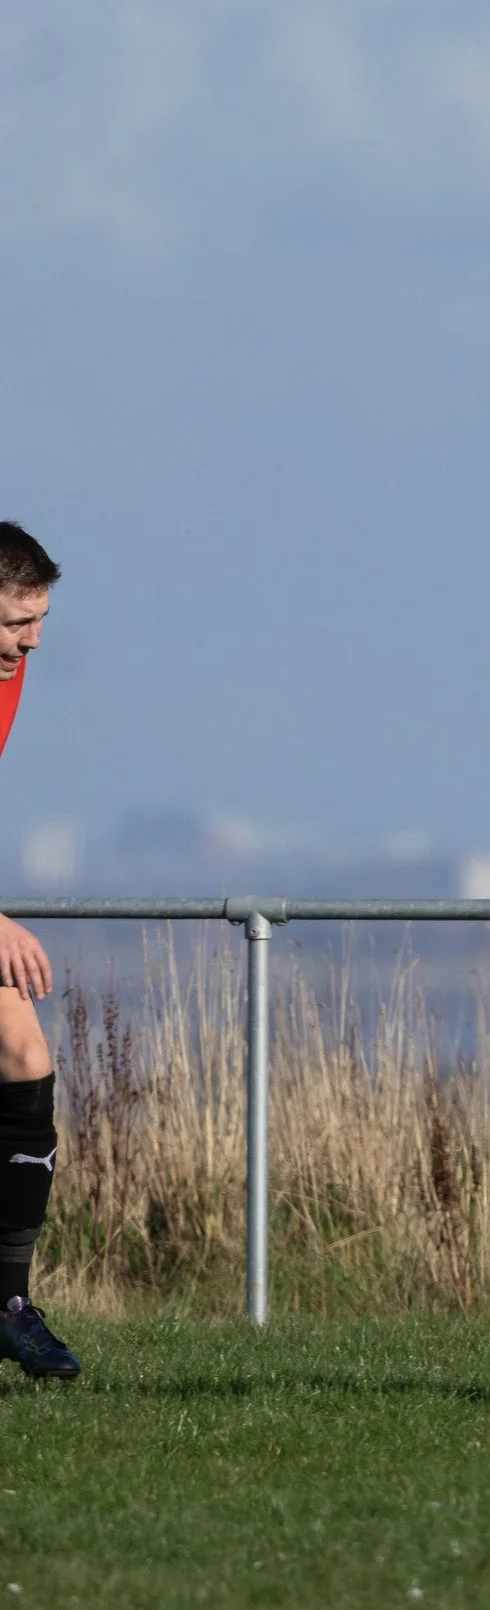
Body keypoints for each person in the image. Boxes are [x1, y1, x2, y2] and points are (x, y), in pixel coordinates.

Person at [0, 523, 76, 1379]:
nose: (35, 640)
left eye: (42, 617)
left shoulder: (9, 670)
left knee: (23, 1060)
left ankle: (8, 1305)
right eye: (17, 621)